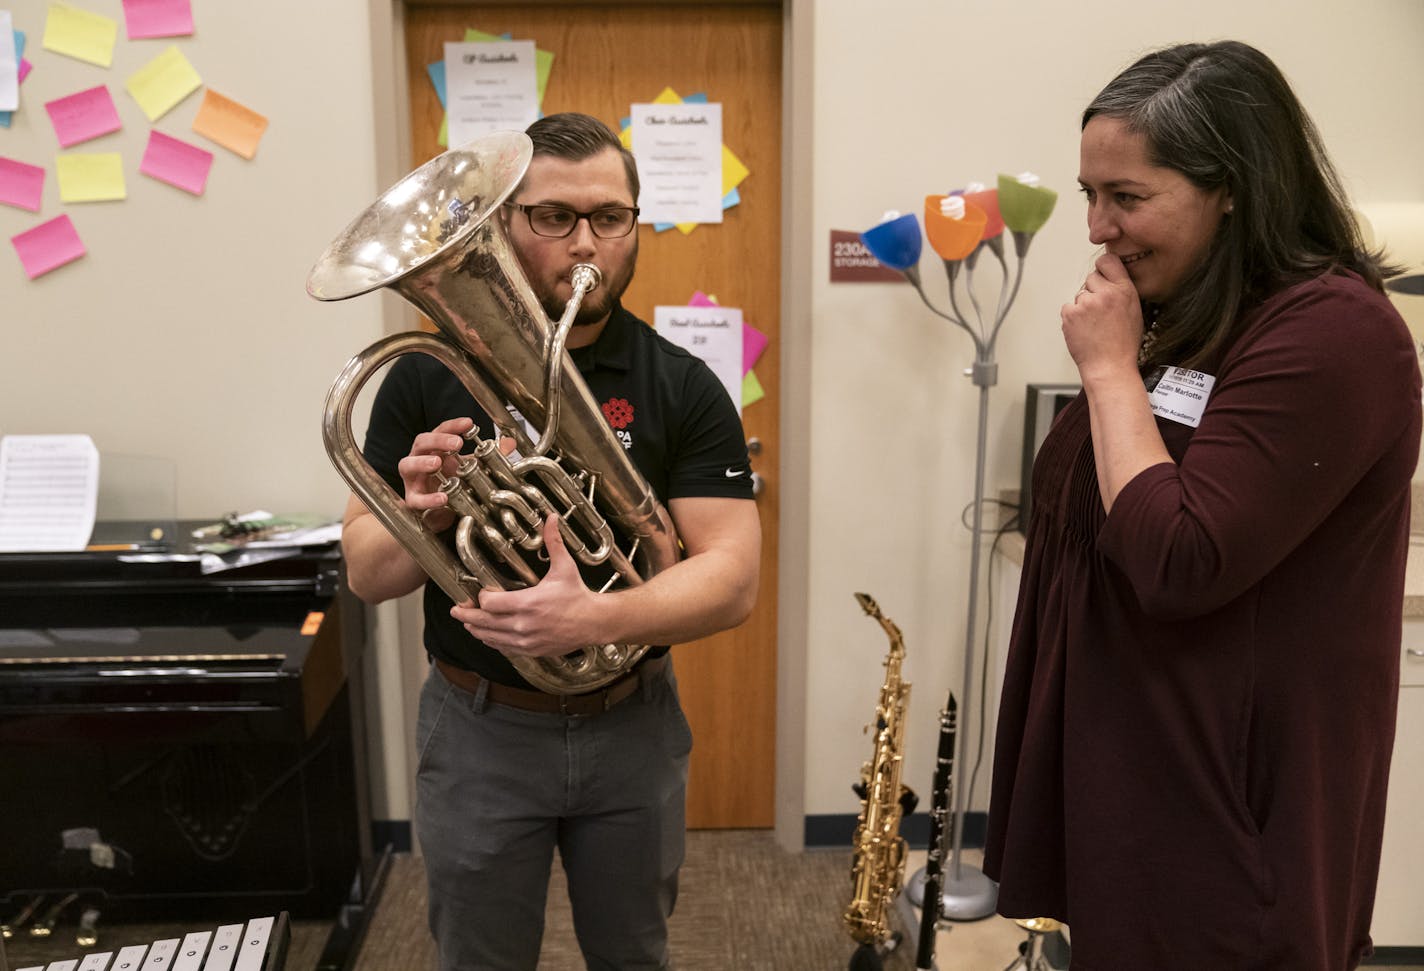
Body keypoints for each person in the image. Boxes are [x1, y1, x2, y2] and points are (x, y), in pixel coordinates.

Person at [984, 41, 1420, 970]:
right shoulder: (1192, 310)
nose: (1097, 226)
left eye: (1127, 198)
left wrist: (1106, 370)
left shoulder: (1333, 331)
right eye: (1090, 194)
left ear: (1235, 187)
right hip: (1138, 774)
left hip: (1229, 812)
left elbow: (1180, 556)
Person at [340, 112, 761, 970]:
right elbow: (366, 574)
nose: (585, 245)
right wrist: (422, 514)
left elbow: (731, 580)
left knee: (633, 953)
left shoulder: (680, 383)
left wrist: (589, 622)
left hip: (631, 724)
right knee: (479, 958)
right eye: (553, 217)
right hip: (478, 730)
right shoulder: (426, 372)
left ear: (635, 228)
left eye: (610, 218)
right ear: (502, 223)